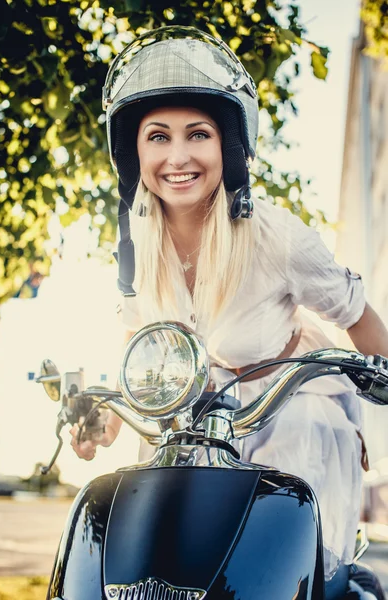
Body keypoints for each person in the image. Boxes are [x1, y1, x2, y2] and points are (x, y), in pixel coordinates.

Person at [70, 26, 388, 596]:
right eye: (157, 136)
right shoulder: (133, 246)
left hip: (291, 413)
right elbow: (137, 342)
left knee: (288, 556)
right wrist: (106, 419)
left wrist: (383, 373)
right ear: (133, 151)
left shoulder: (276, 236)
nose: (178, 156)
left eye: (198, 134)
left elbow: (357, 315)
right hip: (189, 427)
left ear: (229, 146)